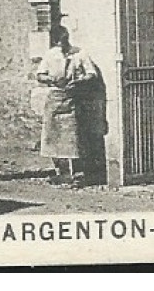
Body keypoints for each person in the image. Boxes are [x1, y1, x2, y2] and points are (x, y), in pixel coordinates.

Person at [35, 26, 102, 187]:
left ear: (67, 38)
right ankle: (61, 172)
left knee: (73, 138)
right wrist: (51, 79)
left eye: (64, 41)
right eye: (58, 42)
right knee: (53, 137)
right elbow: (40, 75)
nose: (62, 45)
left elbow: (92, 74)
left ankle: (78, 174)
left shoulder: (80, 54)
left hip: (73, 98)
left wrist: (79, 81)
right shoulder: (50, 55)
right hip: (55, 99)